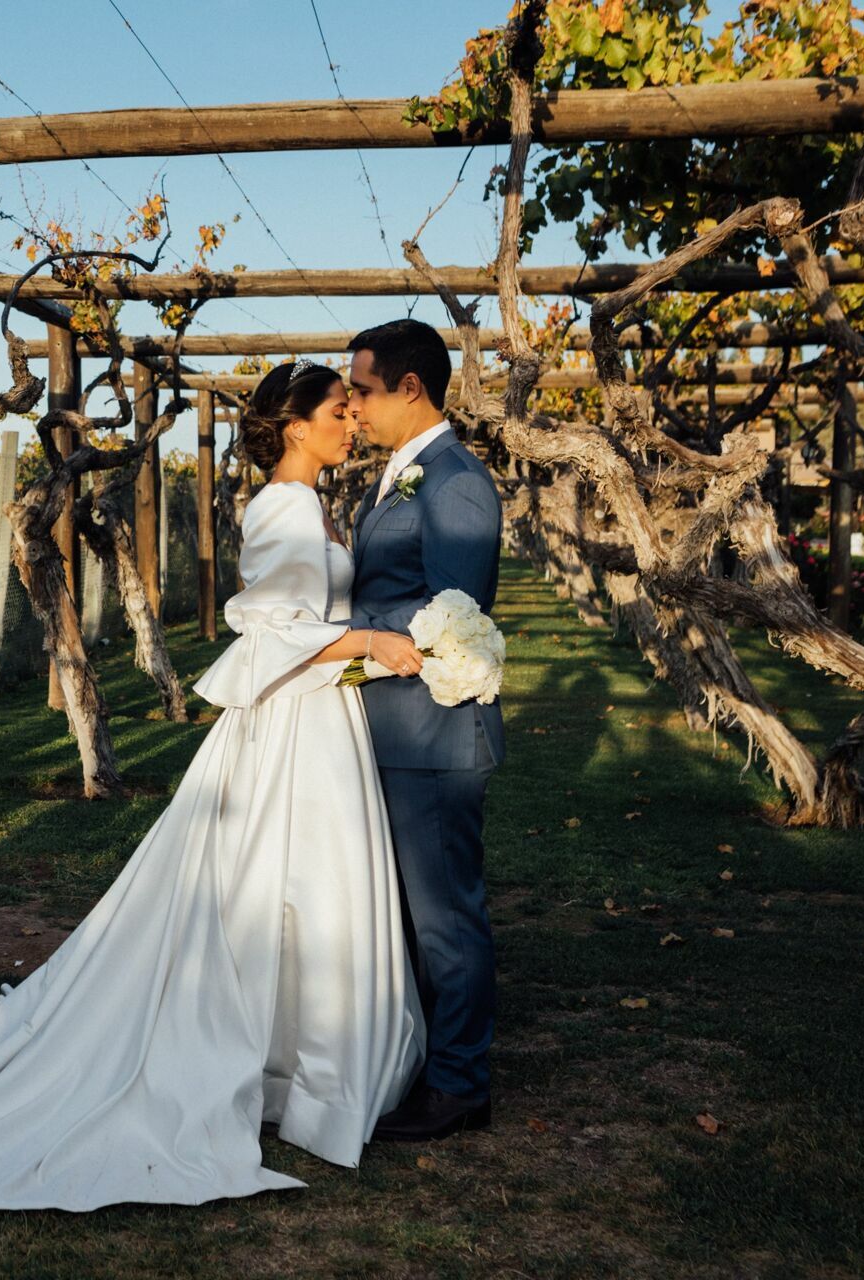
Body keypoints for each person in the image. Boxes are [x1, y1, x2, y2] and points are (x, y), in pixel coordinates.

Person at [0, 360, 425, 1210]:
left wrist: (363, 646)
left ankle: (300, 1067)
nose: (352, 421)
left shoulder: (311, 502)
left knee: (302, 887)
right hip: (293, 724)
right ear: (296, 426)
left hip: (319, 715)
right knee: (290, 883)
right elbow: (271, 629)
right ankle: (298, 1072)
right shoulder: (286, 506)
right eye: (339, 410)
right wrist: (372, 643)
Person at [343, 318, 505, 1141]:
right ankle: (423, 1062)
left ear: (411, 387)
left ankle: (460, 1087)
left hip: (434, 732)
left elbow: (451, 616)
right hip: (397, 729)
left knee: (445, 916)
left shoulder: (455, 483)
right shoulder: (405, 475)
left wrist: (337, 645)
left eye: (362, 390)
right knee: (409, 915)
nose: (352, 407)